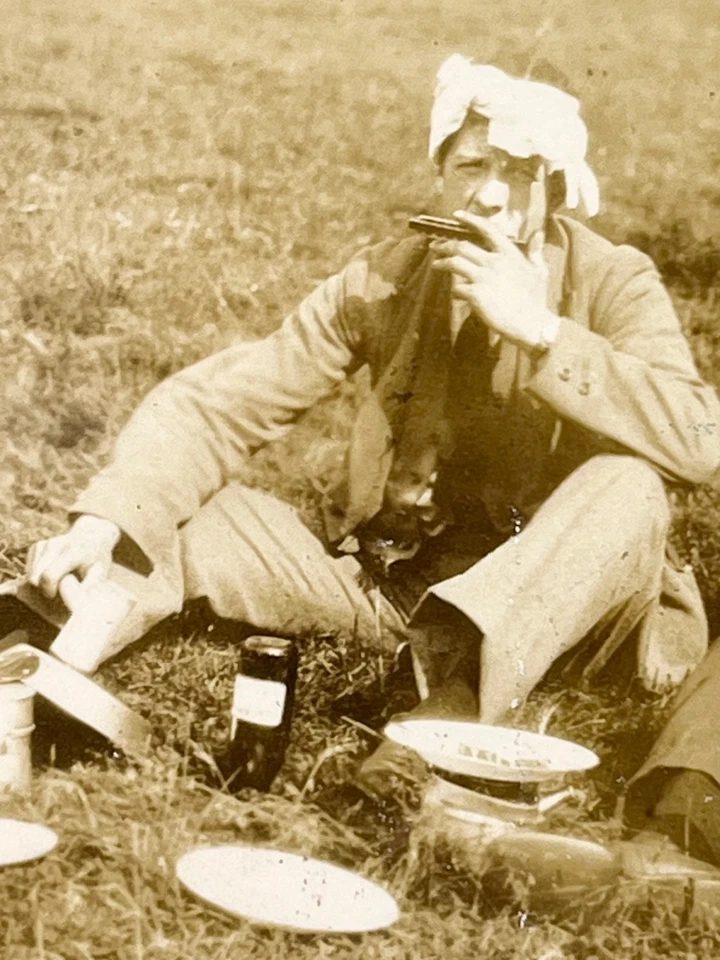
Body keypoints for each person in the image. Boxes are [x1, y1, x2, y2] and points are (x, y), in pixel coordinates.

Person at [21, 55, 720, 798]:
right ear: (441, 172)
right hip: (391, 587)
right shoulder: (387, 274)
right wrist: (106, 519)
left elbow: (699, 439)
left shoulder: (615, 278)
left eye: (517, 170)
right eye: (470, 164)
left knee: (630, 485)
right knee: (180, 511)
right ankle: (51, 659)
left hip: (559, 609)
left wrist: (542, 330)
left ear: (553, 185)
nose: (488, 194)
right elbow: (227, 402)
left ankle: (439, 722)